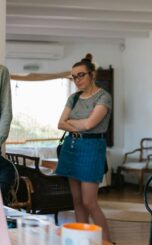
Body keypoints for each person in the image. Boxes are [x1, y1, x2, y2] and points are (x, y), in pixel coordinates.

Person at [56, 53, 112, 241]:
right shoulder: (73, 98)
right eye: (73, 77)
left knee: (90, 202)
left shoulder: (104, 97)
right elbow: (60, 123)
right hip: (71, 147)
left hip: (92, 149)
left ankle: (105, 241)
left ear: (92, 74)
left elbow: (90, 125)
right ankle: (83, 241)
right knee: (77, 201)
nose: (77, 80)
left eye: (81, 75)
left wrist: (71, 121)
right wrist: (77, 123)